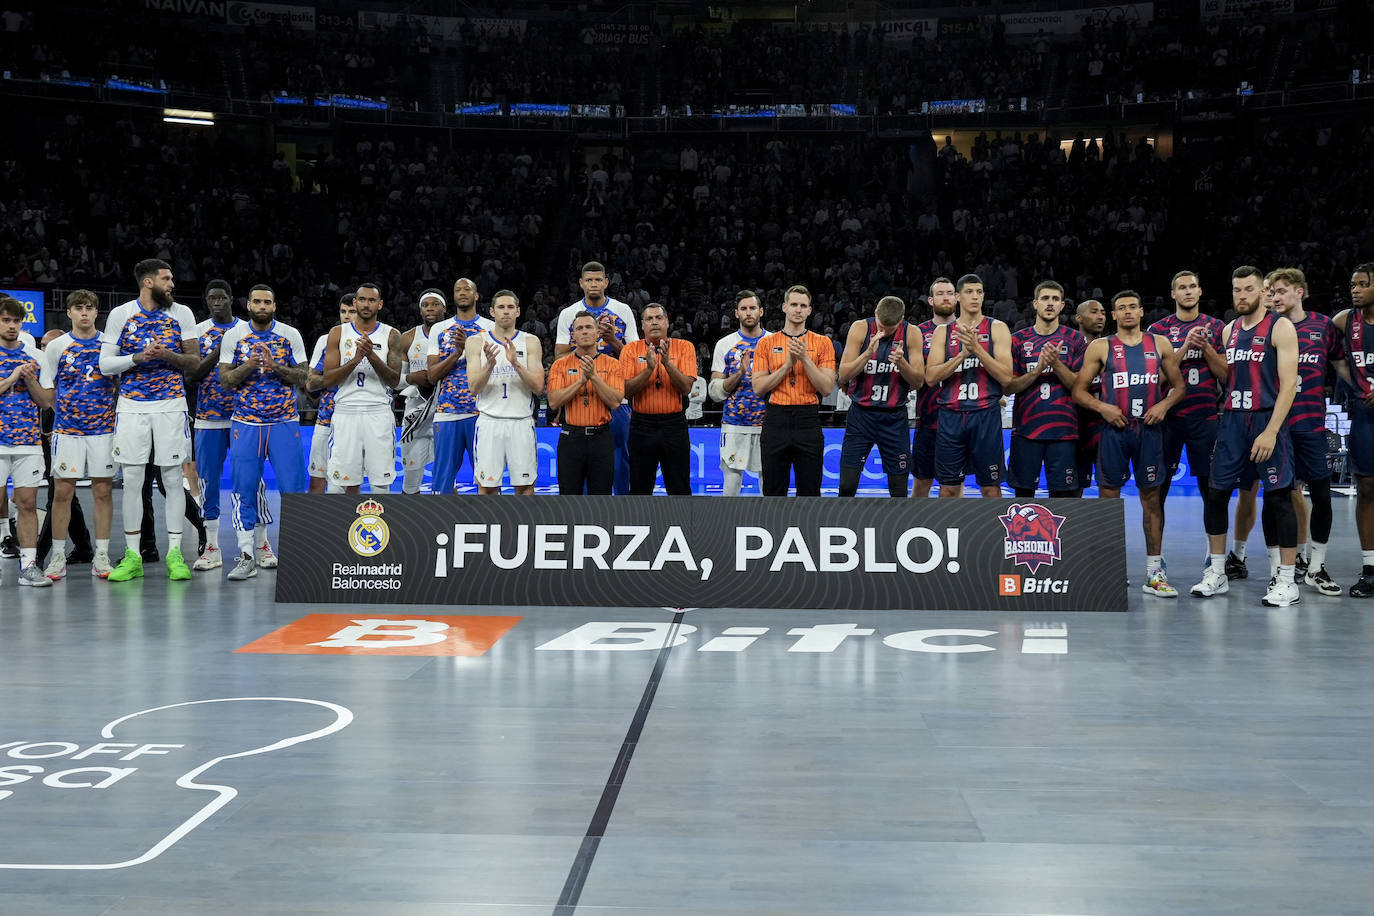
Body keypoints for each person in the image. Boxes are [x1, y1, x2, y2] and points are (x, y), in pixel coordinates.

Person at [1189, 266, 1301, 607]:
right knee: (1217, 494)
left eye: (1248, 289)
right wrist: (1208, 351)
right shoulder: (1228, 331)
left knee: (1279, 498)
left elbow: (1290, 385)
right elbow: (1228, 375)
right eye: (1236, 289)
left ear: (1263, 292)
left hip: (1267, 420)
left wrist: (1271, 431)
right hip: (1233, 421)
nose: (1241, 295)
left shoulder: (1280, 327)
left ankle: (1286, 580)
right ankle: (1218, 572)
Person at [1074, 290, 1184, 596]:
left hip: (1148, 431)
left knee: (1151, 500)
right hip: (1114, 432)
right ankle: (1109, 571)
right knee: (1108, 498)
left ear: (1141, 311)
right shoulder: (1100, 346)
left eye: (1132, 307)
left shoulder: (1159, 343)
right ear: (1114, 315)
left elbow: (1178, 387)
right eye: (1121, 308)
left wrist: (1163, 406)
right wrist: (1103, 408)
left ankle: (1154, 573)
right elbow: (1080, 392)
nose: (1127, 312)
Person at [98, 258, 200, 582]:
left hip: (171, 405)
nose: (172, 284)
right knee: (132, 481)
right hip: (131, 406)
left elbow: (194, 362)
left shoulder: (182, 313)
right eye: (167, 279)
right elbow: (104, 365)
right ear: (148, 282)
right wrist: (138, 357)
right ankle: (133, 556)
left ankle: (175, 555)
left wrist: (165, 355)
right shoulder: (121, 314)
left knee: (172, 480)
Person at [217, 284, 308, 581]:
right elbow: (226, 381)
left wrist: (274, 365)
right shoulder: (234, 336)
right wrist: (248, 365)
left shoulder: (290, 335)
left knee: (293, 490)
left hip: (284, 422)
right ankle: (246, 556)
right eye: (257, 301)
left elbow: (304, 376)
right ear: (249, 305)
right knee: (243, 490)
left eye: (267, 301)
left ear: (274, 306)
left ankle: (297, 556)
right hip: (246, 423)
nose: (262, 306)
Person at [1262, 268, 1345, 594]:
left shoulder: (1323, 326)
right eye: (1271, 291)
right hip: (1275, 427)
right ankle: (1277, 568)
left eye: (1281, 290)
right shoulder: (1266, 328)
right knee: (1275, 497)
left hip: (1311, 425)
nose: (1275, 297)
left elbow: (1341, 369)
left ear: (1300, 291)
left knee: (1322, 496)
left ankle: (1316, 566)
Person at [38, 290, 115, 580]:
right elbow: (48, 389)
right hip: (67, 432)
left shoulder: (109, 344)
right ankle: (58, 556)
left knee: (103, 492)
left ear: (97, 312)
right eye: (78, 308)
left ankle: (102, 556)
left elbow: (119, 385)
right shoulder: (57, 346)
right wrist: (64, 414)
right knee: (62, 493)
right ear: (68, 312)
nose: (85, 312)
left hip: (104, 431)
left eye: (90, 308)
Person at [1147, 270, 1227, 523]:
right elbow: (1154, 379)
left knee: (1212, 491)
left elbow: (1226, 376)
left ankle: (1212, 558)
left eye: (1193, 286)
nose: (1188, 291)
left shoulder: (1217, 328)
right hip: (1167, 419)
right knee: (1158, 490)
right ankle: (1156, 559)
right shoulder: (1158, 330)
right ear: (1173, 294)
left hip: (1205, 418)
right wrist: (1183, 349)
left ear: (1200, 291)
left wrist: (1207, 349)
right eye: (1182, 287)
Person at [924, 274, 1013, 498]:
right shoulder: (943, 332)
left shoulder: (997, 328)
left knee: (991, 488)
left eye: (979, 292)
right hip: (951, 415)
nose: (975, 296)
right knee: (948, 488)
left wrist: (978, 350)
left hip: (985, 414)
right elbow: (931, 377)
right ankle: (949, 533)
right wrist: (962, 356)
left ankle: (993, 533)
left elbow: (1006, 377)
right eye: (969, 292)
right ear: (957, 297)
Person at [554, 261, 638, 494]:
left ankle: (621, 510)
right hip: (578, 395)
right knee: (578, 468)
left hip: (615, 396)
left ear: (606, 283)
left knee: (620, 460)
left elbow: (634, 357)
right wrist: (586, 347)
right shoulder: (569, 314)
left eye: (598, 279)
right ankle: (581, 517)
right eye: (589, 280)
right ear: (581, 283)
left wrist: (612, 341)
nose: (594, 284)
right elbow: (559, 355)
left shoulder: (622, 311)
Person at [751, 285, 837, 497]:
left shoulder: (823, 343)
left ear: (810, 310)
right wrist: (787, 365)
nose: (798, 310)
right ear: (784, 307)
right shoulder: (766, 343)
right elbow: (759, 388)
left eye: (803, 306)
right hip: (776, 420)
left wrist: (805, 359)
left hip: (808, 420)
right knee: (773, 491)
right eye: (794, 305)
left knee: (809, 492)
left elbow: (826, 389)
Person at [1004, 281, 1087, 497]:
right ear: (1035, 304)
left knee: (1063, 499)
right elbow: (1008, 387)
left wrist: (1056, 364)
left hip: (1064, 432)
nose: (1050, 304)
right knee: (1023, 497)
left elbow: (1079, 387)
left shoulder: (1076, 339)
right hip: (1026, 430)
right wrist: (1038, 369)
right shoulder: (1018, 340)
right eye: (1045, 299)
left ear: (1062, 306)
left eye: (1055, 299)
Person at [836, 295, 924, 497]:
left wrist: (902, 363)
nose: (883, 331)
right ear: (875, 313)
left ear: (901, 320)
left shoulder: (912, 333)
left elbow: (919, 381)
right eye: (881, 325)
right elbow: (843, 375)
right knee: (847, 484)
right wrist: (867, 354)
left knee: (898, 485)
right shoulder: (861, 328)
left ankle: (898, 527)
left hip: (894, 417)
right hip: (861, 415)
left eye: (890, 328)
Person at [322, 282, 403, 493]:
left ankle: (383, 527)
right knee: (338, 484)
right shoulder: (337, 333)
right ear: (355, 302)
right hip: (346, 412)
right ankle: (336, 526)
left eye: (372, 300)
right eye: (363, 300)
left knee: (380, 483)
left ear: (380, 304)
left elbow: (394, 381)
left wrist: (371, 356)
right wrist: (356, 359)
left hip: (378, 412)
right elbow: (328, 380)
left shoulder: (392, 335)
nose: (366, 304)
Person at [188, 279, 245, 569]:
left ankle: (256, 544)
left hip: (245, 418)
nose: (218, 302)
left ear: (232, 299)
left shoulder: (247, 329)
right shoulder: (198, 332)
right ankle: (212, 546)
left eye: (222, 297)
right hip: (208, 419)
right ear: (207, 301)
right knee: (208, 483)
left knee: (250, 481)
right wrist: (220, 348)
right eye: (212, 298)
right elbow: (192, 375)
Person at [465, 290, 544, 495]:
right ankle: (490, 527)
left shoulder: (530, 341)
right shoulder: (476, 342)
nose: (506, 312)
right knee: (488, 488)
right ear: (492, 311)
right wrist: (490, 365)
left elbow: (538, 387)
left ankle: (524, 527)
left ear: (518, 312)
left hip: (521, 422)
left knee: (525, 488)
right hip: (490, 422)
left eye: (510, 307)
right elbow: (473, 387)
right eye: (501, 307)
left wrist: (516, 363)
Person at [0, 295, 53, 586]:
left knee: (28, 504)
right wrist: (14, 375)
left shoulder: (36, 357)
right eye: (6, 320)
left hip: (28, 442)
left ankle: (29, 566)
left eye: (16, 321)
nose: (12, 325)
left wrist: (30, 379)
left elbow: (46, 402)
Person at [620, 304, 697, 495]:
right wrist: (648, 370)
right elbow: (626, 392)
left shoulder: (685, 347)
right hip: (641, 426)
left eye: (658, 318)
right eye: (649, 319)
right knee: (639, 487)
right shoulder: (630, 350)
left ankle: (680, 524)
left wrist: (667, 364)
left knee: (679, 487)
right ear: (642, 325)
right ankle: (640, 524)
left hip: (674, 425)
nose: (654, 322)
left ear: (667, 322)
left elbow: (686, 388)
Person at [426, 278, 493, 494]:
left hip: (482, 412)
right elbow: (432, 375)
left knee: (486, 478)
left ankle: (490, 522)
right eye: (457, 290)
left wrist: (471, 349)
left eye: (468, 289)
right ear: (453, 297)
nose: (462, 292)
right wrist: (457, 353)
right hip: (447, 413)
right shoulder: (440, 328)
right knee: (442, 482)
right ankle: (438, 524)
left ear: (476, 296)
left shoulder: (490, 328)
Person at [1332, 261, 1374, 597]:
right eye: (1353, 285)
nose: (1355, 290)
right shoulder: (1344, 321)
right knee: (1367, 489)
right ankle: (1370, 568)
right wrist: (1355, 385)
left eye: (1362, 284)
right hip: (1365, 416)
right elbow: (1333, 356)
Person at [548, 311, 624, 494]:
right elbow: (553, 402)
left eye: (589, 327)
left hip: (601, 437)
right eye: (579, 328)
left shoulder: (613, 364)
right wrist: (581, 381)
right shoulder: (560, 365)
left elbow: (615, 402)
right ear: (573, 336)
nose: (584, 332)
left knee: (602, 496)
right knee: (569, 496)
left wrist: (594, 377)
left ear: (598, 333)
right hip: (570, 438)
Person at [710, 290, 767, 497]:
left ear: (761, 311)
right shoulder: (724, 345)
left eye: (752, 308)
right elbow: (715, 392)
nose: (748, 313)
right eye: (743, 309)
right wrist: (739, 374)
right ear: (736, 313)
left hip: (768, 424)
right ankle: (727, 527)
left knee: (769, 485)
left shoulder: (773, 342)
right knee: (731, 486)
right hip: (734, 424)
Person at [306, 293, 356, 494]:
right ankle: (313, 524)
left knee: (351, 482)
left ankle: (349, 525)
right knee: (317, 478)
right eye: (343, 311)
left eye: (351, 311)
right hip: (326, 420)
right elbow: (310, 383)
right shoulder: (326, 340)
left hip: (355, 422)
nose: (346, 316)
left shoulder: (371, 341)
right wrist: (337, 374)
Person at [911, 277, 956, 498]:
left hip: (960, 419)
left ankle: (955, 529)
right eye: (940, 293)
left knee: (953, 485)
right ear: (930, 300)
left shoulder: (968, 331)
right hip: (928, 419)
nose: (945, 297)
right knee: (922, 483)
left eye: (949, 292)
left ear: (957, 297)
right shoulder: (918, 333)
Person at [398, 288, 446, 494]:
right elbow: (395, 381)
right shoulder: (408, 338)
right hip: (415, 415)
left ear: (444, 308)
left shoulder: (453, 334)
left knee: (447, 479)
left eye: (435, 304)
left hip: (445, 411)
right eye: (426, 305)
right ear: (420, 310)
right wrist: (412, 378)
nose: (430, 308)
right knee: (411, 481)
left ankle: (447, 523)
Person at [1073, 298, 1108, 495]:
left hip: (1106, 427)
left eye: (1102, 312)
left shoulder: (1114, 346)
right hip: (1075, 426)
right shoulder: (1069, 348)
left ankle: (1107, 527)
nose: (1100, 316)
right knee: (1073, 489)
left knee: (1108, 485)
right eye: (1094, 312)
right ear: (1079, 318)